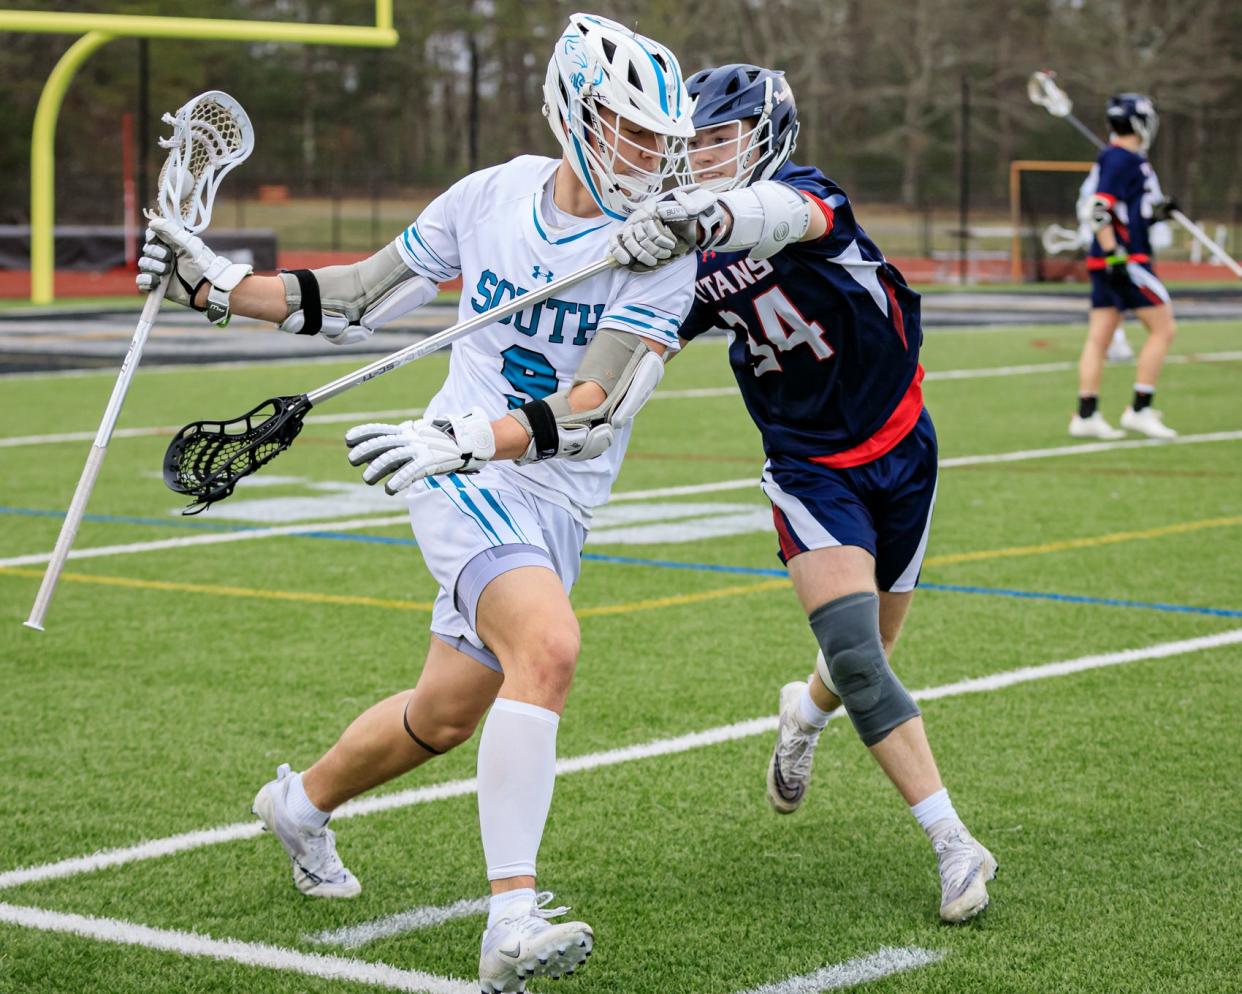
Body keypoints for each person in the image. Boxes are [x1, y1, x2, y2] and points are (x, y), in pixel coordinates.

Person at [137, 13, 695, 991]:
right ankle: (513, 917)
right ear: (574, 113)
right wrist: (216, 286)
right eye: (631, 130)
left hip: (541, 480)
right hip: (460, 478)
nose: (650, 157)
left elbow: (595, 406)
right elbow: (353, 295)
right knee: (550, 647)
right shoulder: (490, 198)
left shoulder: (662, 244)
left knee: (444, 715)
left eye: (662, 140)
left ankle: (301, 805)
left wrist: (475, 434)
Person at [607, 64, 997, 923]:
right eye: (692, 145)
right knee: (859, 655)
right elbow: (640, 345)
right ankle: (953, 841)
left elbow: (783, 219)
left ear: (765, 133)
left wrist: (702, 218)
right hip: (807, 464)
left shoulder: (802, 194)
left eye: (718, 138)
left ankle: (803, 713)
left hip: (901, 445)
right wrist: (584, 394)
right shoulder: (695, 251)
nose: (703, 157)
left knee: (868, 661)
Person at [1069, 93, 1179, 440]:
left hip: (1108, 259)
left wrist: (1155, 214)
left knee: (1099, 337)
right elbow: (1098, 208)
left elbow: (1124, 212)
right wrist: (1115, 253)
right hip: (1126, 260)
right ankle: (1140, 408)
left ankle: (1086, 414)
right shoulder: (1122, 159)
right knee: (1163, 329)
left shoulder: (1122, 158)